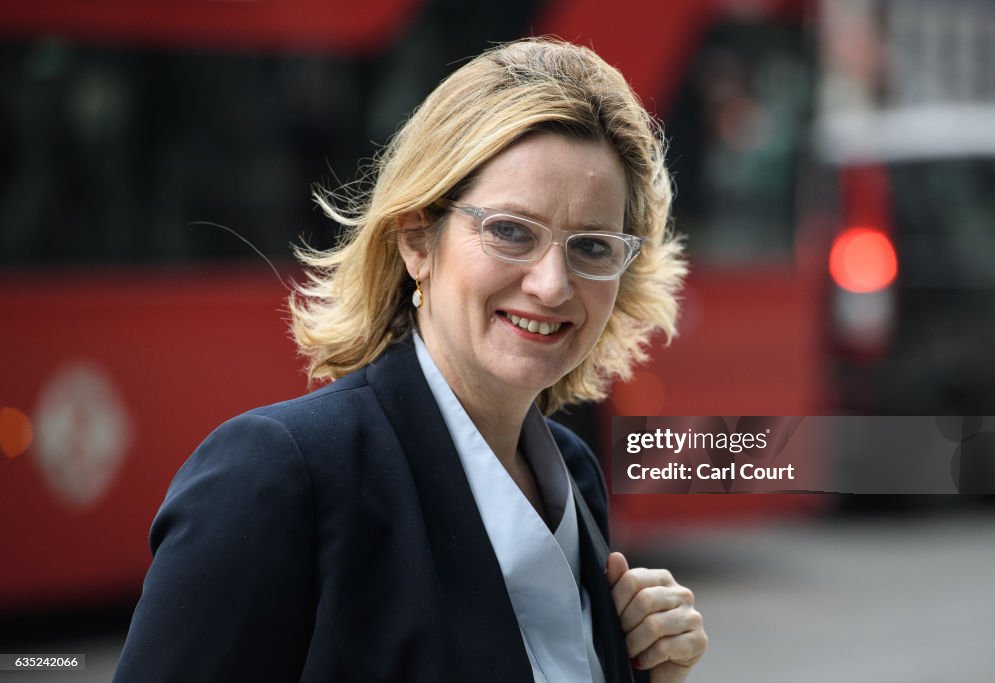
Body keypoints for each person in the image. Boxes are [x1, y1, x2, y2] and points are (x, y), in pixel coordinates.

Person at [114, 37, 706, 683]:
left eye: (592, 246)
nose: (553, 284)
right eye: (510, 231)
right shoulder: (280, 475)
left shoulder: (572, 474)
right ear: (418, 239)